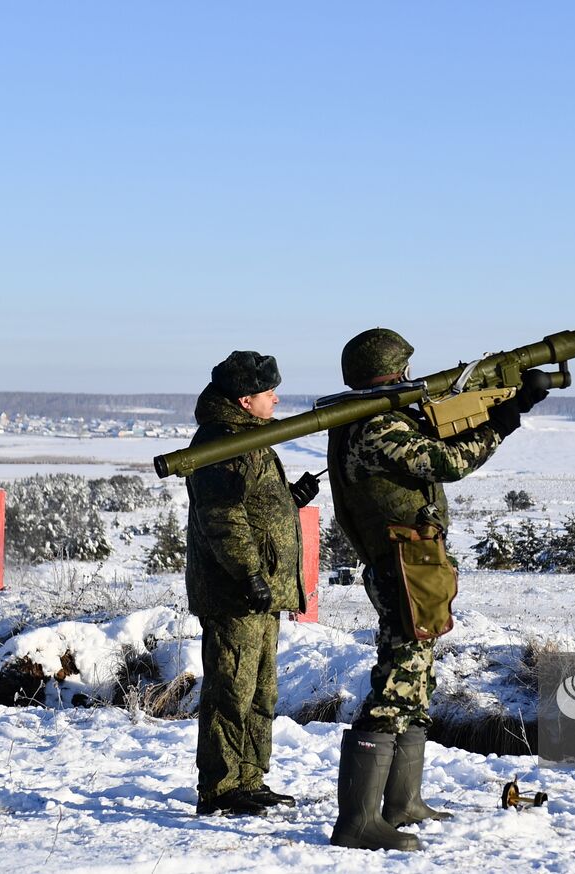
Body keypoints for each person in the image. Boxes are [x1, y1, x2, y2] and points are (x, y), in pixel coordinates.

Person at [327, 328, 546, 851]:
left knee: (415, 679)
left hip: (414, 561)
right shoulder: (374, 426)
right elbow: (447, 462)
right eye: (402, 370)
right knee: (396, 683)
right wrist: (503, 422)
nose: (409, 378)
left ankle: (402, 802)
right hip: (399, 564)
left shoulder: (378, 418)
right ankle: (357, 822)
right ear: (389, 373)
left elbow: (435, 442)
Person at [185, 350, 321, 815]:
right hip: (235, 592)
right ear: (245, 400)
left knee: (260, 689)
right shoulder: (222, 444)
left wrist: (289, 499)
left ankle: (249, 777)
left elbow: (253, 504)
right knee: (231, 691)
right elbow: (223, 517)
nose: (276, 398)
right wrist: (248, 574)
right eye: (268, 393)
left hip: (259, 592)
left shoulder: (248, 437)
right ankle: (221, 788)